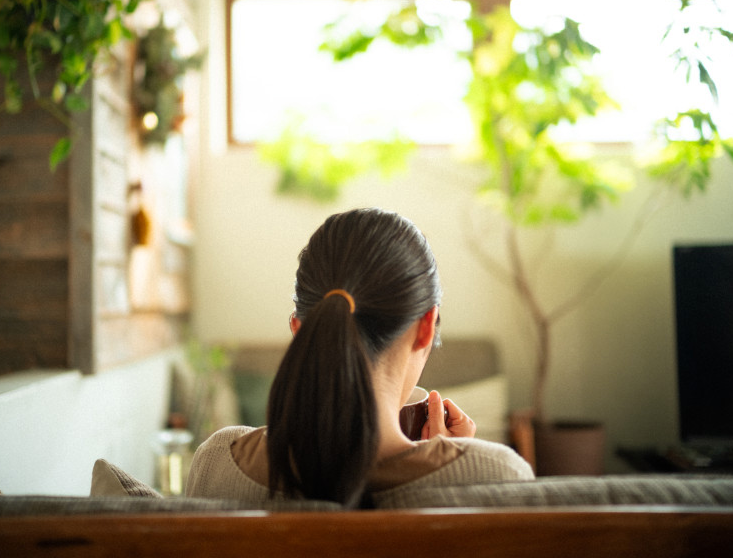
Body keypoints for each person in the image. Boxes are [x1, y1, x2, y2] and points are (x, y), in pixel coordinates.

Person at [186, 208, 533, 507]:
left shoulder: (216, 465)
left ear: (300, 330)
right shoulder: (499, 477)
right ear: (426, 326)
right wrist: (456, 466)